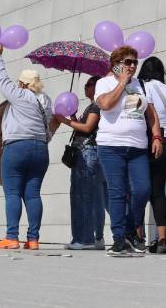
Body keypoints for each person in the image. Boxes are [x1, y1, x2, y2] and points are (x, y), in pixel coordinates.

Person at [94, 46, 163, 256]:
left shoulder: (141, 85)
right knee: (117, 192)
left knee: (142, 190)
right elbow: (105, 104)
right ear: (116, 64)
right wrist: (122, 82)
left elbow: (151, 114)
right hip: (111, 146)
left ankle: (130, 230)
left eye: (135, 62)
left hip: (138, 147)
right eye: (128, 62)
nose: (132, 66)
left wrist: (157, 136)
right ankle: (119, 239)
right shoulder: (104, 83)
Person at [0, 43, 59, 250]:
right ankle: (33, 239)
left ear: (22, 83)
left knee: (12, 193)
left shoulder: (19, 94)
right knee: (33, 194)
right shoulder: (45, 101)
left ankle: (12, 237)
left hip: (17, 147)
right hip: (40, 149)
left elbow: (1, 78)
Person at [136, 57, 166, 253]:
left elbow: (146, 113)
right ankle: (162, 239)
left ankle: (138, 237)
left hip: (147, 140)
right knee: (158, 192)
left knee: (138, 189)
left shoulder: (143, 87)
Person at [56, 76, 106, 250]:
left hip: (87, 152)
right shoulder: (93, 106)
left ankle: (84, 239)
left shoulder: (96, 105)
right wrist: (73, 116)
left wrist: (66, 121)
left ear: (96, 87)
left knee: (82, 195)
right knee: (95, 196)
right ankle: (97, 238)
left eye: (88, 85)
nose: (85, 88)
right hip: (90, 152)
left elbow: (88, 128)